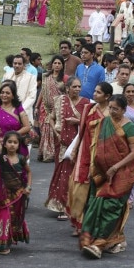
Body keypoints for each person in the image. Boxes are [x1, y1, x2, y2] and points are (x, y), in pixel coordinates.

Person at [79, 94, 134, 259]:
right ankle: (111, 239)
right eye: (110, 108)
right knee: (96, 203)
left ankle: (99, 244)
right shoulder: (105, 122)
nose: (112, 111)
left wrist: (115, 167)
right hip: (103, 172)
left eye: (116, 109)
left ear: (124, 110)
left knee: (112, 206)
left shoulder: (129, 127)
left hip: (124, 172)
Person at [67, 82, 113, 236]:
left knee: (97, 189)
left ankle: (91, 223)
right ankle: (79, 223)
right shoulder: (89, 108)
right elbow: (82, 131)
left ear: (107, 96)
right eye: (95, 91)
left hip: (102, 155)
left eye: (99, 92)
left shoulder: (111, 113)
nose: (95, 94)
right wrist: (75, 150)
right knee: (79, 187)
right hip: (85, 152)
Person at [45, 77, 89, 220]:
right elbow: (50, 118)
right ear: (68, 88)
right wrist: (56, 132)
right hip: (62, 144)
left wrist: (77, 121)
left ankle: (74, 207)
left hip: (78, 144)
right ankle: (62, 207)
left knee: (74, 175)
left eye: (79, 86)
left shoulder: (86, 103)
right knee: (63, 174)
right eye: (74, 87)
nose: (77, 89)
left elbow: (89, 122)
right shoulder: (60, 101)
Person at [0, 82, 31, 215]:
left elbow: (27, 127)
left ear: (13, 95)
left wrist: (12, 137)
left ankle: (17, 198)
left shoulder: (18, 109)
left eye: (8, 93)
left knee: (14, 174)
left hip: (14, 146)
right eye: (2, 92)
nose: (4, 95)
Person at [0, 131, 31, 255]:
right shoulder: (1, 158)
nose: (12, 145)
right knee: (5, 216)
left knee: (15, 216)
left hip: (19, 193)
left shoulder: (21, 159)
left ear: (18, 145)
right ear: (4, 144)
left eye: (15, 142)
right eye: (9, 142)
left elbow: (29, 172)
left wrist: (29, 187)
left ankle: (9, 239)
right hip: (5, 194)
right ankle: (2, 244)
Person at [36, 56, 66, 163]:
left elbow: (66, 94)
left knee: (55, 130)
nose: (57, 65)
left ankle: (54, 153)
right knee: (45, 130)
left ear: (62, 65)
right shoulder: (45, 77)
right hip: (45, 108)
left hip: (58, 108)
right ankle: (45, 153)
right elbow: (42, 92)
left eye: (59, 63)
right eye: (55, 63)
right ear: (52, 64)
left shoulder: (65, 78)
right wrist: (36, 106)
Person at [2, 56, 38, 124]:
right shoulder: (7, 76)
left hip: (24, 112)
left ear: (24, 65)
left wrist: (20, 110)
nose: (17, 66)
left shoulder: (31, 78)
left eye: (19, 64)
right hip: (7, 111)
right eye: (15, 63)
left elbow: (32, 96)